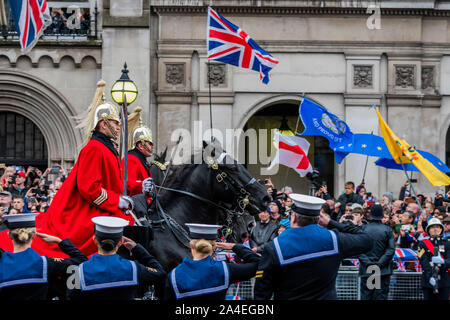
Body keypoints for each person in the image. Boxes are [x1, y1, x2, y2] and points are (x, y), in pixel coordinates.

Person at [0, 80, 135, 257]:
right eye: (115, 123)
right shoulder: (94, 148)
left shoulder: (108, 149)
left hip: (106, 205)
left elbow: (116, 181)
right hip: (87, 211)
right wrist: (116, 201)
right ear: (103, 124)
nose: (118, 127)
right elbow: (89, 188)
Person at [254, 193, 373, 300]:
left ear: (293, 217)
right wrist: (330, 223)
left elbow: (262, 294)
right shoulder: (333, 240)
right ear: (319, 219)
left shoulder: (274, 247)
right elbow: (367, 240)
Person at [67, 216, 166, 300]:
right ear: (120, 242)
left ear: (95, 240)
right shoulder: (133, 268)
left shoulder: (77, 271)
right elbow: (160, 273)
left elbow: (70, 297)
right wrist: (137, 249)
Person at [0, 213, 87, 300]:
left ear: (9, 235)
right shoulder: (45, 264)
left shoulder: (2, 264)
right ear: (34, 235)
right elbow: (81, 261)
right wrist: (59, 241)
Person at [164, 223, 260, 300]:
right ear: (214, 246)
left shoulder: (173, 276)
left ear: (191, 245)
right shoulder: (224, 270)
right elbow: (258, 263)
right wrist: (235, 246)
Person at [357, 204, 395, 300]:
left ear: (370, 215)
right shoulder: (387, 230)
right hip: (382, 270)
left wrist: (369, 263)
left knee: (367, 296)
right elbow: (390, 250)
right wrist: (379, 264)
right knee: (380, 296)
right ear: (381, 215)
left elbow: (358, 249)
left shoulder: (363, 229)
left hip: (368, 269)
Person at [124, 107, 155, 198]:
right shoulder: (131, 160)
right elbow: (127, 184)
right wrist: (141, 185)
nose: (152, 146)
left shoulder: (141, 160)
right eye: (149, 143)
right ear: (140, 146)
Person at [417, 217, 450, 300]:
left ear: (441, 229)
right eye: (432, 227)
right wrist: (430, 276)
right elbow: (423, 261)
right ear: (428, 230)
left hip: (443, 280)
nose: (435, 229)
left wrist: (443, 261)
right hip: (428, 280)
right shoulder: (422, 244)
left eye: (437, 227)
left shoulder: (447, 244)